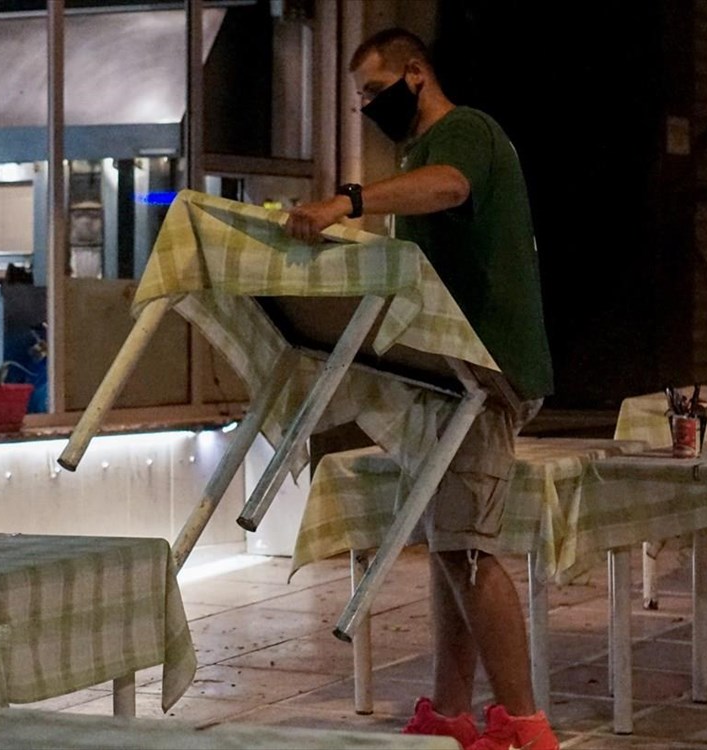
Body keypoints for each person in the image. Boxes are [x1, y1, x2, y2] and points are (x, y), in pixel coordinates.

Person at [285, 28, 559, 750]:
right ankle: (452, 711)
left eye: (376, 91)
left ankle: (526, 725)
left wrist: (347, 202)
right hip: (449, 374)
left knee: (467, 549)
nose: (369, 107)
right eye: (360, 99)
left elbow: (451, 187)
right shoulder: (414, 156)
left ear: (416, 73)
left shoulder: (462, 134)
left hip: (483, 374)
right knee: (448, 544)